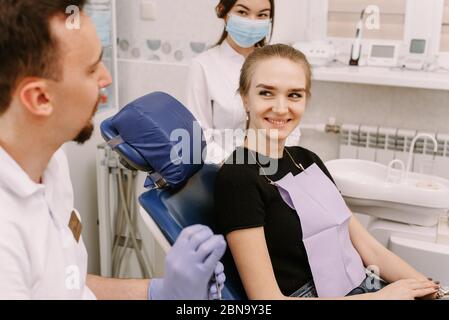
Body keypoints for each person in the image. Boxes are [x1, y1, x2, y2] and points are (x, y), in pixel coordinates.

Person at [0, 0, 226, 300]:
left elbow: (69, 286)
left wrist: (159, 292)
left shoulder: (51, 161)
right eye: (92, 69)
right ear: (40, 98)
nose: (106, 78)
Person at [214, 44, 440, 300]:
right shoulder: (237, 178)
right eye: (266, 93)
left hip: (363, 284)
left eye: (294, 95)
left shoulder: (306, 159)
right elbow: (266, 300)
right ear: (245, 97)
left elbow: (369, 249)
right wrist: (381, 298)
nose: (280, 107)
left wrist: (432, 292)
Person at [186, 0, 300, 164]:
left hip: (272, 168)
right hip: (222, 172)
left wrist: (273, 159)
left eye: (262, 15)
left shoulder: (277, 64)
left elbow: (291, 126)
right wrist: (236, 167)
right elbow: (198, 137)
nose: (252, 22)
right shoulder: (203, 66)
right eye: (243, 12)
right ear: (224, 12)